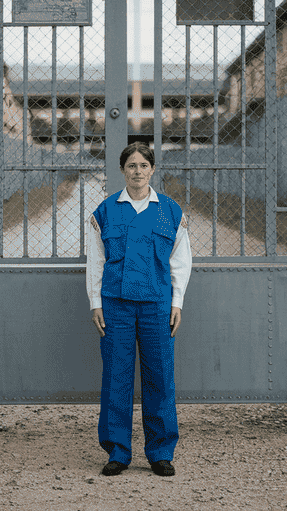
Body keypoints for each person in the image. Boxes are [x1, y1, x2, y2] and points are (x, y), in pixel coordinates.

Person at [85, 142, 192, 478]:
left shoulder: (170, 211)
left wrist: (177, 302)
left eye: (143, 165)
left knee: (159, 376)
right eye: (131, 165)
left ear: (153, 169)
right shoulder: (105, 211)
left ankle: (161, 452)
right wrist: (96, 303)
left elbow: (181, 262)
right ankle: (117, 451)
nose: (137, 171)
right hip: (115, 305)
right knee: (116, 376)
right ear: (122, 170)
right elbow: (96, 262)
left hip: (157, 306)